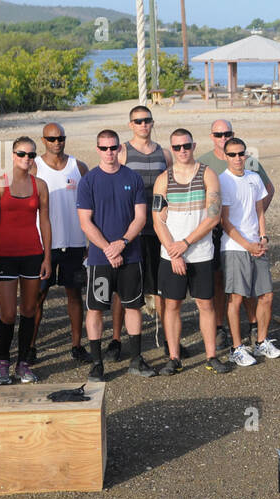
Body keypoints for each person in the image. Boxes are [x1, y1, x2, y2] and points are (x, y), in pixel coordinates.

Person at [151, 128, 232, 375]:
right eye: (177, 147)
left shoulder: (208, 175)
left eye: (186, 146)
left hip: (200, 253)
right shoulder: (163, 178)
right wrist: (174, 252)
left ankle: (211, 356)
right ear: (171, 149)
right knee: (172, 305)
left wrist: (185, 244)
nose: (182, 151)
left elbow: (213, 216)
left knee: (205, 304)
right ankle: (174, 357)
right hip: (171, 255)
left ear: (194, 145)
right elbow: (157, 221)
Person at [77, 129, 155, 381]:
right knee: (96, 309)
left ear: (120, 148)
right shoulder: (88, 181)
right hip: (100, 260)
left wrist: (121, 244)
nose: (109, 153)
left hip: (130, 256)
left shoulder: (132, 178)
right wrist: (108, 249)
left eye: (113, 148)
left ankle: (135, 359)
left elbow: (141, 217)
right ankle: (97, 363)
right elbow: (85, 222)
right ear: (97, 149)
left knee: (133, 306)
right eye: (104, 148)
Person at [198, 119, 273, 347]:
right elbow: (223, 217)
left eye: (226, 134)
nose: (222, 138)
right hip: (221, 237)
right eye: (218, 134)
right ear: (212, 136)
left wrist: (262, 236)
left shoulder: (252, 170)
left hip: (253, 239)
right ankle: (226, 334)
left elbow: (263, 199)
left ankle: (256, 331)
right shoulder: (206, 165)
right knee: (225, 287)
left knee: (258, 291)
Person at [0, 137, 51, 384]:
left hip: (33, 254)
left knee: (30, 310)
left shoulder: (40, 186)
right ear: (13, 155)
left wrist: (47, 256)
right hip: (6, 256)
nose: (27, 159)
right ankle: (3, 362)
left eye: (31, 155)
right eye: (22, 154)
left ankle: (23, 363)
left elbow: (45, 221)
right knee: (8, 313)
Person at [111, 105, 173, 360]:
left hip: (157, 229)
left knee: (161, 287)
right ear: (130, 124)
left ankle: (169, 339)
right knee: (123, 288)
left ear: (152, 122)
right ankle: (115, 339)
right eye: (138, 121)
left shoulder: (164, 153)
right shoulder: (122, 152)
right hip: (130, 231)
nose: (143, 125)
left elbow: (172, 187)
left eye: (147, 120)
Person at [219, 136, 280, 366]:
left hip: (257, 244)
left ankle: (262, 341)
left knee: (266, 294)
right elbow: (225, 222)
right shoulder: (222, 181)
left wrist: (263, 237)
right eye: (233, 154)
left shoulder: (254, 178)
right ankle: (237, 347)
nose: (238, 158)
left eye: (241, 153)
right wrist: (247, 245)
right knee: (236, 297)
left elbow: (259, 212)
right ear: (226, 156)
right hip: (235, 247)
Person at [34, 122, 91, 364]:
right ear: (43, 140)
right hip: (42, 244)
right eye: (51, 138)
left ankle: (77, 345)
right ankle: (29, 346)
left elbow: (91, 205)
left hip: (75, 242)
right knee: (36, 297)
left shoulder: (78, 167)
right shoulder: (33, 166)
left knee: (75, 295)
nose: (56, 143)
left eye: (60, 138)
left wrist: (91, 240)